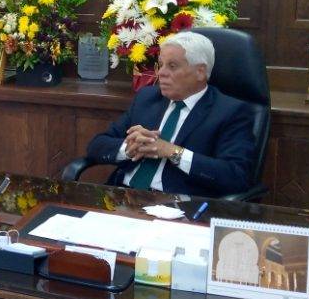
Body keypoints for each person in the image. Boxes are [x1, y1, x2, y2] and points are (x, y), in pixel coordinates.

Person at [85, 32, 255, 197]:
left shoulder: (230, 112)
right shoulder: (147, 98)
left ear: (200, 72)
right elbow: (97, 145)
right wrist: (130, 148)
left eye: (172, 66)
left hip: (177, 205)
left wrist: (173, 152)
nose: (161, 73)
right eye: (161, 64)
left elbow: (236, 176)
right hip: (122, 197)